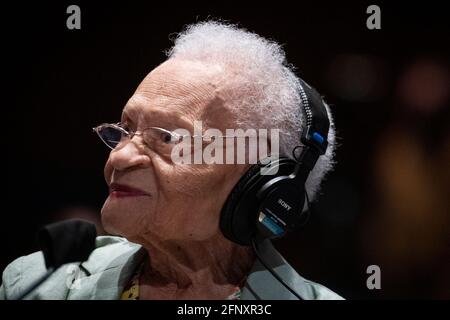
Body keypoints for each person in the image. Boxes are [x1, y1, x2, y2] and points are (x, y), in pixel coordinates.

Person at [0, 21, 342, 300]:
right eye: (126, 129)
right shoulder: (39, 283)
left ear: (258, 183)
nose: (120, 155)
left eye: (167, 138)